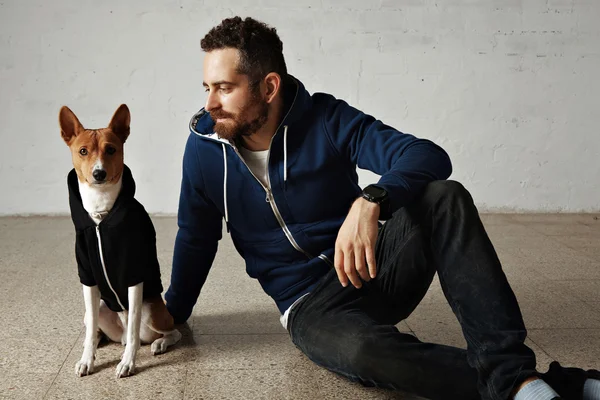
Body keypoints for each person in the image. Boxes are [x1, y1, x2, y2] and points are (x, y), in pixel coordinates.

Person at [164, 16, 600, 400]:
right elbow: (195, 236)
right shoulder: (204, 148)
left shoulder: (326, 119)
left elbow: (426, 154)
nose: (209, 103)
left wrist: (372, 199)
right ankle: (533, 385)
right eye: (207, 87)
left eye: (224, 88)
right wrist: (172, 311)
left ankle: (513, 376)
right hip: (309, 305)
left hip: (374, 265)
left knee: (444, 196)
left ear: (269, 86)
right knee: (366, 354)